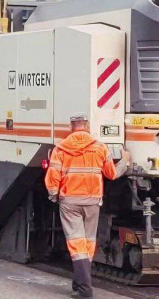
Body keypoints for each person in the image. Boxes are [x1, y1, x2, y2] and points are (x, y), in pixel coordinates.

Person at [45, 113, 131, 298]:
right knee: (88, 242)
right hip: (92, 202)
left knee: (76, 243)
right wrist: (125, 160)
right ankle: (79, 284)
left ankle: (84, 289)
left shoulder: (60, 149)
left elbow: (53, 177)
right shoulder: (100, 148)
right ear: (88, 126)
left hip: (70, 203)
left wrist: (53, 195)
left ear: (71, 126)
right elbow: (112, 174)